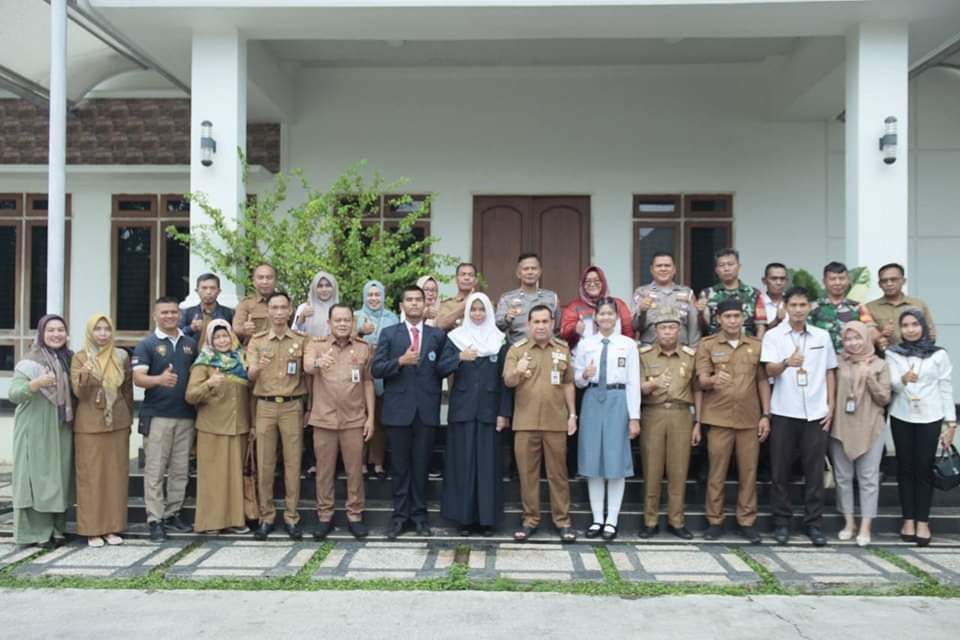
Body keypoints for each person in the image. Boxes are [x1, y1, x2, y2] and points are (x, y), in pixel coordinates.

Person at [761, 286, 837, 546]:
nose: (798, 310)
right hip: (783, 410)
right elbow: (768, 370)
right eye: (793, 305)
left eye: (803, 305)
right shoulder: (773, 336)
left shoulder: (822, 336)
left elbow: (830, 371)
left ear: (810, 307)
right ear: (786, 307)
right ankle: (781, 522)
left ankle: (814, 524)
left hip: (815, 412)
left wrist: (831, 405)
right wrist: (786, 363)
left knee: (814, 471)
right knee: (780, 471)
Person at [372, 285, 447, 538]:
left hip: (426, 410)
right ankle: (399, 517)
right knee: (401, 467)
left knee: (421, 465)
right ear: (401, 306)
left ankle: (419, 517)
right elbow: (377, 368)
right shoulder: (390, 334)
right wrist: (400, 362)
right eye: (409, 300)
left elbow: (444, 366)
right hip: (398, 411)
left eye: (419, 300)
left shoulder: (437, 335)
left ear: (426, 305)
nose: (415, 304)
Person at [696, 299, 770, 544]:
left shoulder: (756, 345)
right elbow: (701, 380)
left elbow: (762, 381)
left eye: (736, 316)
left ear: (743, 318)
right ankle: (715, 520)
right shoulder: (708, 345)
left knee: (748, 473)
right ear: (719, 319)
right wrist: (713, 379)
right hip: (718, 417)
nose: (732, 320)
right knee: (717, 473)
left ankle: (746, 521)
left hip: (749, 418)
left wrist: (766, 415)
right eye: (727, 316)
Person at [438, 293, 511, 536]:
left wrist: (504, 413)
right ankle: (464, 519)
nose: (477, 314)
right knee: (463, 466)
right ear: (467, 312)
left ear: (489, 312)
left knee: (488, 467)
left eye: (482, 309)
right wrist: (459, 357)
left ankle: (487, 520)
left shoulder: (500, 340)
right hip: (463, 412)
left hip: (490, 414)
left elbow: (505, 381)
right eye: (473, 310)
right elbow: (440, 368)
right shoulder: (455, 339)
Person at [504, 305, 578, 544]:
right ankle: (530, 520)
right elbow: (508, 381)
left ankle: (563, 522)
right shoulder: (517, 350)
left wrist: (573, 415)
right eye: (536, 322)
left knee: (558, 475)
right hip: (525, 423)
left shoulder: (563, 349)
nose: (541, 326)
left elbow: (568, 383)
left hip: (556, 422)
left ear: (552, 323)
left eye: (545, 321)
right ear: (528, 324)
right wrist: (518, 370)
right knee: (528, 476)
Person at [304, 304, 375, 540]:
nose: (342, 324)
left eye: (347, 320)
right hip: (324, 419)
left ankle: (355, 515)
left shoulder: (363, 348)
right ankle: (325, 516)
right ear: (329, 323)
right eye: (338, 320)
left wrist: (371, 418)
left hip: (354, 419)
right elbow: (306, 367)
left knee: (355, 470)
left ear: (352, 323)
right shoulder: (316, 345)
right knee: (324, 472)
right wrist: (317, 363)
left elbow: (367, 382)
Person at [886, 309, 956, 547]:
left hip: (931, 416)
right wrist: (903, 379)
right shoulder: (893, 353)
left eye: (915, 324)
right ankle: (908, 519)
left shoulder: (938, 354)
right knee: (905, 468)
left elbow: (945, 387)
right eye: (905, 325)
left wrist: (951, 422)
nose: (910, 329)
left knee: (924, 469)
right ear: (900, 329)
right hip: (902, 415)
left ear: (924, 326)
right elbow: (892, 385)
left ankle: (923, 521)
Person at [573, 297, 641, 542]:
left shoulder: (628, 344)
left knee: (615, 462)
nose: (605, 318)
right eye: (601, 314)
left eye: (610, 314)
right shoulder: (586, 344)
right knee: (593, 463)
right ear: (596, 317)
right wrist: (584, 374)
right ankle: (596, 519)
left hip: (617, 399)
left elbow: (633, 381)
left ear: (617, 317)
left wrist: (634, 417)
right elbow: (577, 379)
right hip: (592, 399)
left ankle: (612, 520)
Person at [133, 297, 198, 542]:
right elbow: (138, 378)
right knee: (155, 470)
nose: (170, 316)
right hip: (157, 416)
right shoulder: (146, 345)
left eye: (174, 312)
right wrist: (158, 380)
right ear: (155, 315)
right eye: (165, 312)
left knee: (180, 470)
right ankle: (155, 519)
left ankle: (173, 513)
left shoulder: (190, 344)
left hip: (186, 416)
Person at [247, 291, 308, 540]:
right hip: (266, 406)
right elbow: (249, 376)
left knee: (293, 464)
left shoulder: (302, 340)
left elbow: (310, 375)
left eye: (284, 307)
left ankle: (292, 517)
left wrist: (310, 408)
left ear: (291, 310)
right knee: (265, 463)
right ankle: (266, 516)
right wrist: (257, 367)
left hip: (293, 406)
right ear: (268, 311)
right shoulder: (257, 341)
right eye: (275, 308)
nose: (279, 312)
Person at [10, 315, 74, 547]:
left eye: (60, 330)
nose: (56, 334)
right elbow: (14, 394)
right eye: (50, 330)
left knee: (59, 477)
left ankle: (57, 529)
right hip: (35, 428)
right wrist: (35, 384)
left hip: (61, 427)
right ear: (41, 334)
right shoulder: (30, 361)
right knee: (35, 479)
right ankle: (35, 533)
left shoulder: (69, 358)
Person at [71, 314, 134, 547]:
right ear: (90, 332)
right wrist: (86, 373)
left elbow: (127, 390)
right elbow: (79, 393)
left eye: (107, 329)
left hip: (117, 424)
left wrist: (128, 420)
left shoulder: (121, 356)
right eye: (97, 329)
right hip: (89, 426)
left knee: (115, 477)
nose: (103, 333)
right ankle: (92, 530)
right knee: (91, 478)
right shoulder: (80, 357)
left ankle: (112, 527)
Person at [638, 308, 700, 540]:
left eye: (672, 327)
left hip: (681, 414)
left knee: (678, 469)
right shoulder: (644, 355)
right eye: (663, 328)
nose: (667, 332)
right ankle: (650, 520)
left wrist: (698, 422)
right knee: (652, 469)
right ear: (655, 331)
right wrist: (653, 384)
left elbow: (697, 390)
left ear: (679, 330)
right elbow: (637, 388)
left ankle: (677, 520)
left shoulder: (689, 356)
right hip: (653, 413)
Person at [185, 320, 252, 534]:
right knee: (212, 477)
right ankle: (211, 523)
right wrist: (208, 384)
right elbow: (190, 396)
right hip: (212, 427)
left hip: (238, 426)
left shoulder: (241, 360)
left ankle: (235, 520)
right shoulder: (203, 362)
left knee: (234, 477)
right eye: (217, 337)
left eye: (225, 336)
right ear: (210, 340)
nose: (222, 340)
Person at [830, 321, 891, 547]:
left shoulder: (880, 364)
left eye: (857, 338)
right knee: (843, 478)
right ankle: (849, 522)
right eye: (848, 339)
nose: (853, 343)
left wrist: (869, 377)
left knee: (868, 479)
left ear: (866, 338)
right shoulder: (837, 362)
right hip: (841, 425)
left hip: (870, 426)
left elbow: (884, 398)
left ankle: (866, 525)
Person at [356, 279, 399, 479]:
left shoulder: (392, 318)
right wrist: (361, 332)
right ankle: (362, 462)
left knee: (380, 418)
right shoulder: (356, 316)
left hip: (383, 371)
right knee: (361, 416)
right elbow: (345, 338)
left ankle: (378, 462)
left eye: (377, 295)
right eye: (370, 295)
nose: (374, 299)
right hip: (359, 371)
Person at [630, 252, 700, 346]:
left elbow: (694, 326)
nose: (663, 269)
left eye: (667, 266)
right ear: (651, 269)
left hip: (680, 351)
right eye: (659, 266)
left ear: (674, 269)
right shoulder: (641, 292)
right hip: (650, 351)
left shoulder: (687, 293)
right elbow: (635, 326)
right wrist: (642, 311)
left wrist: (693, 349)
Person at [696, 248, 767, 338]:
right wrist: (699, 313)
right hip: (716, 346)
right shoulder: (707, 294)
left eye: (730, 264)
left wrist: (758, 347)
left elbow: (761, 326)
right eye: (722, 265)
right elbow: (702, 327)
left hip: (747, 346)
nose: (726, 268)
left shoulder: (754, 293)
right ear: (716, 270)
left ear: (739, 266)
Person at [559, 265, 634, 351]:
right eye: (587, 281)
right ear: (582, 285)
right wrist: (574, 329)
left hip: (614, 355)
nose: (592, 284)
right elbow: (564, 334)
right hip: (583, 358)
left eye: (596, 281)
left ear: (603, 282)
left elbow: (628, 333)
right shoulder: (574, 307)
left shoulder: (618, 304)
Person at [866, 263, 937, 350]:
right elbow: (863, 339)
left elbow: (931, 334)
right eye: (884, 281)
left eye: (894, 279)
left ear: (903, 281)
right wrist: (880, 337)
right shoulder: (869, 308)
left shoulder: (919, 304)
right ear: (879, 284)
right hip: (884, 359)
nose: (889, 284)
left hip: (916, 357)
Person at [495, 253, 560, 346]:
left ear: (540, 272)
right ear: (518, 273)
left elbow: (557, 329)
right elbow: (499, 327)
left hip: (546, 351)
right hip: (517, 352)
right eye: (526, 269)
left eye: (534, 268)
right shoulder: (507, 299)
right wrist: (507, 318)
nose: (530, 272)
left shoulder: (552, 297)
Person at [808, 261, 874, 353]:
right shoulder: (812, 307)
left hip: (851, 361)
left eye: (842, 278)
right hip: (822, 360)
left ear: (848, 280)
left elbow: (870, 330)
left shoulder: (858, 307)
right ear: (824, 281)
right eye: (833, 279)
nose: (837, 283)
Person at [179, 273, 235, 341]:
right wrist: (191, 328)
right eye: (204, 288)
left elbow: (236, 339)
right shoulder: (187, 313)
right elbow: (176, 337)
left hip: (219, 351)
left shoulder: (229, 313)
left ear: (219, 291)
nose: (208, 292)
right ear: (197, 291)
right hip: (194, 351)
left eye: (212, 288)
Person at [233, 263, 278, 343]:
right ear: (253, 281)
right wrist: (244, 329)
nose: (265, 281)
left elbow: (295, 327)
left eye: (269, 278)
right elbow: (236, 329)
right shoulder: (246, 304)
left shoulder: (285, 303)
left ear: (276, 281)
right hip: (254, 352)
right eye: (260, 278)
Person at [292, 270, 339, 337]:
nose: (324, 289)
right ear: (314, 288)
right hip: (310, 346)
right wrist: (302, 316)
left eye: (328, 285)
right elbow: (294, 333)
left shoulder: (340, 309)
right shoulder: (304, 307)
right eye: (320, 286)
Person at [436, 263, 478, 331]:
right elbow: (440, 324)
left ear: (476, 280)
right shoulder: (447, 304)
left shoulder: (483, 303)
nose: (467, 278)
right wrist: (464, 304)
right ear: (456, 279)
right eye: (463, 274)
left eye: (470, 275)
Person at [760, 262, 789, 333]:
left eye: (782, 279)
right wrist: (776, 321)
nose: (778, 282)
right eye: (774, 278)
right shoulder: (757, 303)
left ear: (786, 281)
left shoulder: (793, 303)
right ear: (764, 281)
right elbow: (756, 336)